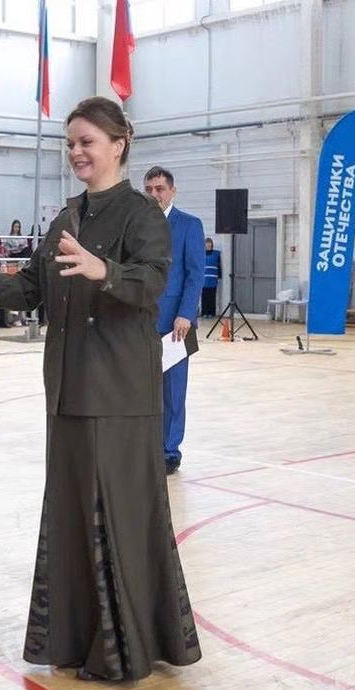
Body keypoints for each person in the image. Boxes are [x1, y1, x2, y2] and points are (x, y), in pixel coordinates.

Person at [0, 96, 201, 682]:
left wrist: (108, 272)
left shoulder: (141, 214)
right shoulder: (66, 218)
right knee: (76, 517)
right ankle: (77, 642)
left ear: (118, 144)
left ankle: (122, 651)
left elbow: (153, 283)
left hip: (120, 395)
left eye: (87, 142)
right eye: (70, 143)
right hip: (69, 393)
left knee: (115, 515)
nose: (76, 152)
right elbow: (31, 288)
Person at [143, 165, 205, 475]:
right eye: (149, 189)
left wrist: (186, 314)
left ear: (172, 191)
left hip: (174, 323)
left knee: (172, 389)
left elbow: (195, 273)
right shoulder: (137, 225)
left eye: (160, 189)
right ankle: (144, 447)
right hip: (139, 321)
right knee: (141, 388)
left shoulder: (189, 225)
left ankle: (169, 451)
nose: (154, 194)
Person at [201, 237, 221, 318]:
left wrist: (220, 275)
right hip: (204, 279)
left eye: (209, 244)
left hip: (213, 279)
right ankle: (204, 312)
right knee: (204, 296)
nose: (208, 245)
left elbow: (219, 266)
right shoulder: (201, 254)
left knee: (212, 296)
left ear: (211, 244)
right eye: (207, 244)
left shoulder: (216, 254)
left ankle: (211, 313)